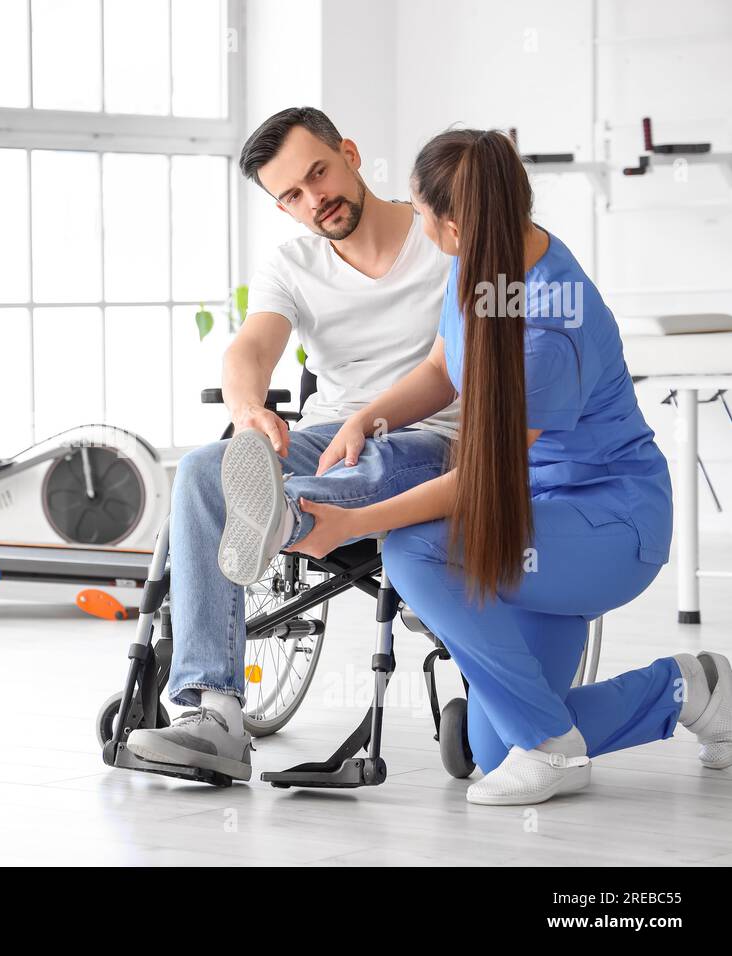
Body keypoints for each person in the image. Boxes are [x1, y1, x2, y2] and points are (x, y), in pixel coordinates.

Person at [220, 127, 731, 806]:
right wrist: (365, 419)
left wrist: (356, 524)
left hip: (607, 526)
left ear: (454, 224)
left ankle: (552, 749)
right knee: (495, 750)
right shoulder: (483, 257)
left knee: (414, 551)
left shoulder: (549, 327)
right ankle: (695, 688)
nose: (416, 224)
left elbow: (482, 483)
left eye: (422, 213)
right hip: (540, 517)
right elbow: (443, 368)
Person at [123, 107, 460, 784]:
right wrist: (250, 410)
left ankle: (280, 515)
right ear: (281, 208)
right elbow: (251, 347)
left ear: (351, 153)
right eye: (293, 196)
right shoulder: (294, 264)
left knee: (376, 457)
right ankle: (216, 714)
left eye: (320, 173)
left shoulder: (443, 240)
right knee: (202, 470)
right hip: (326, 438)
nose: (315, 200)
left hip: (430, 439)